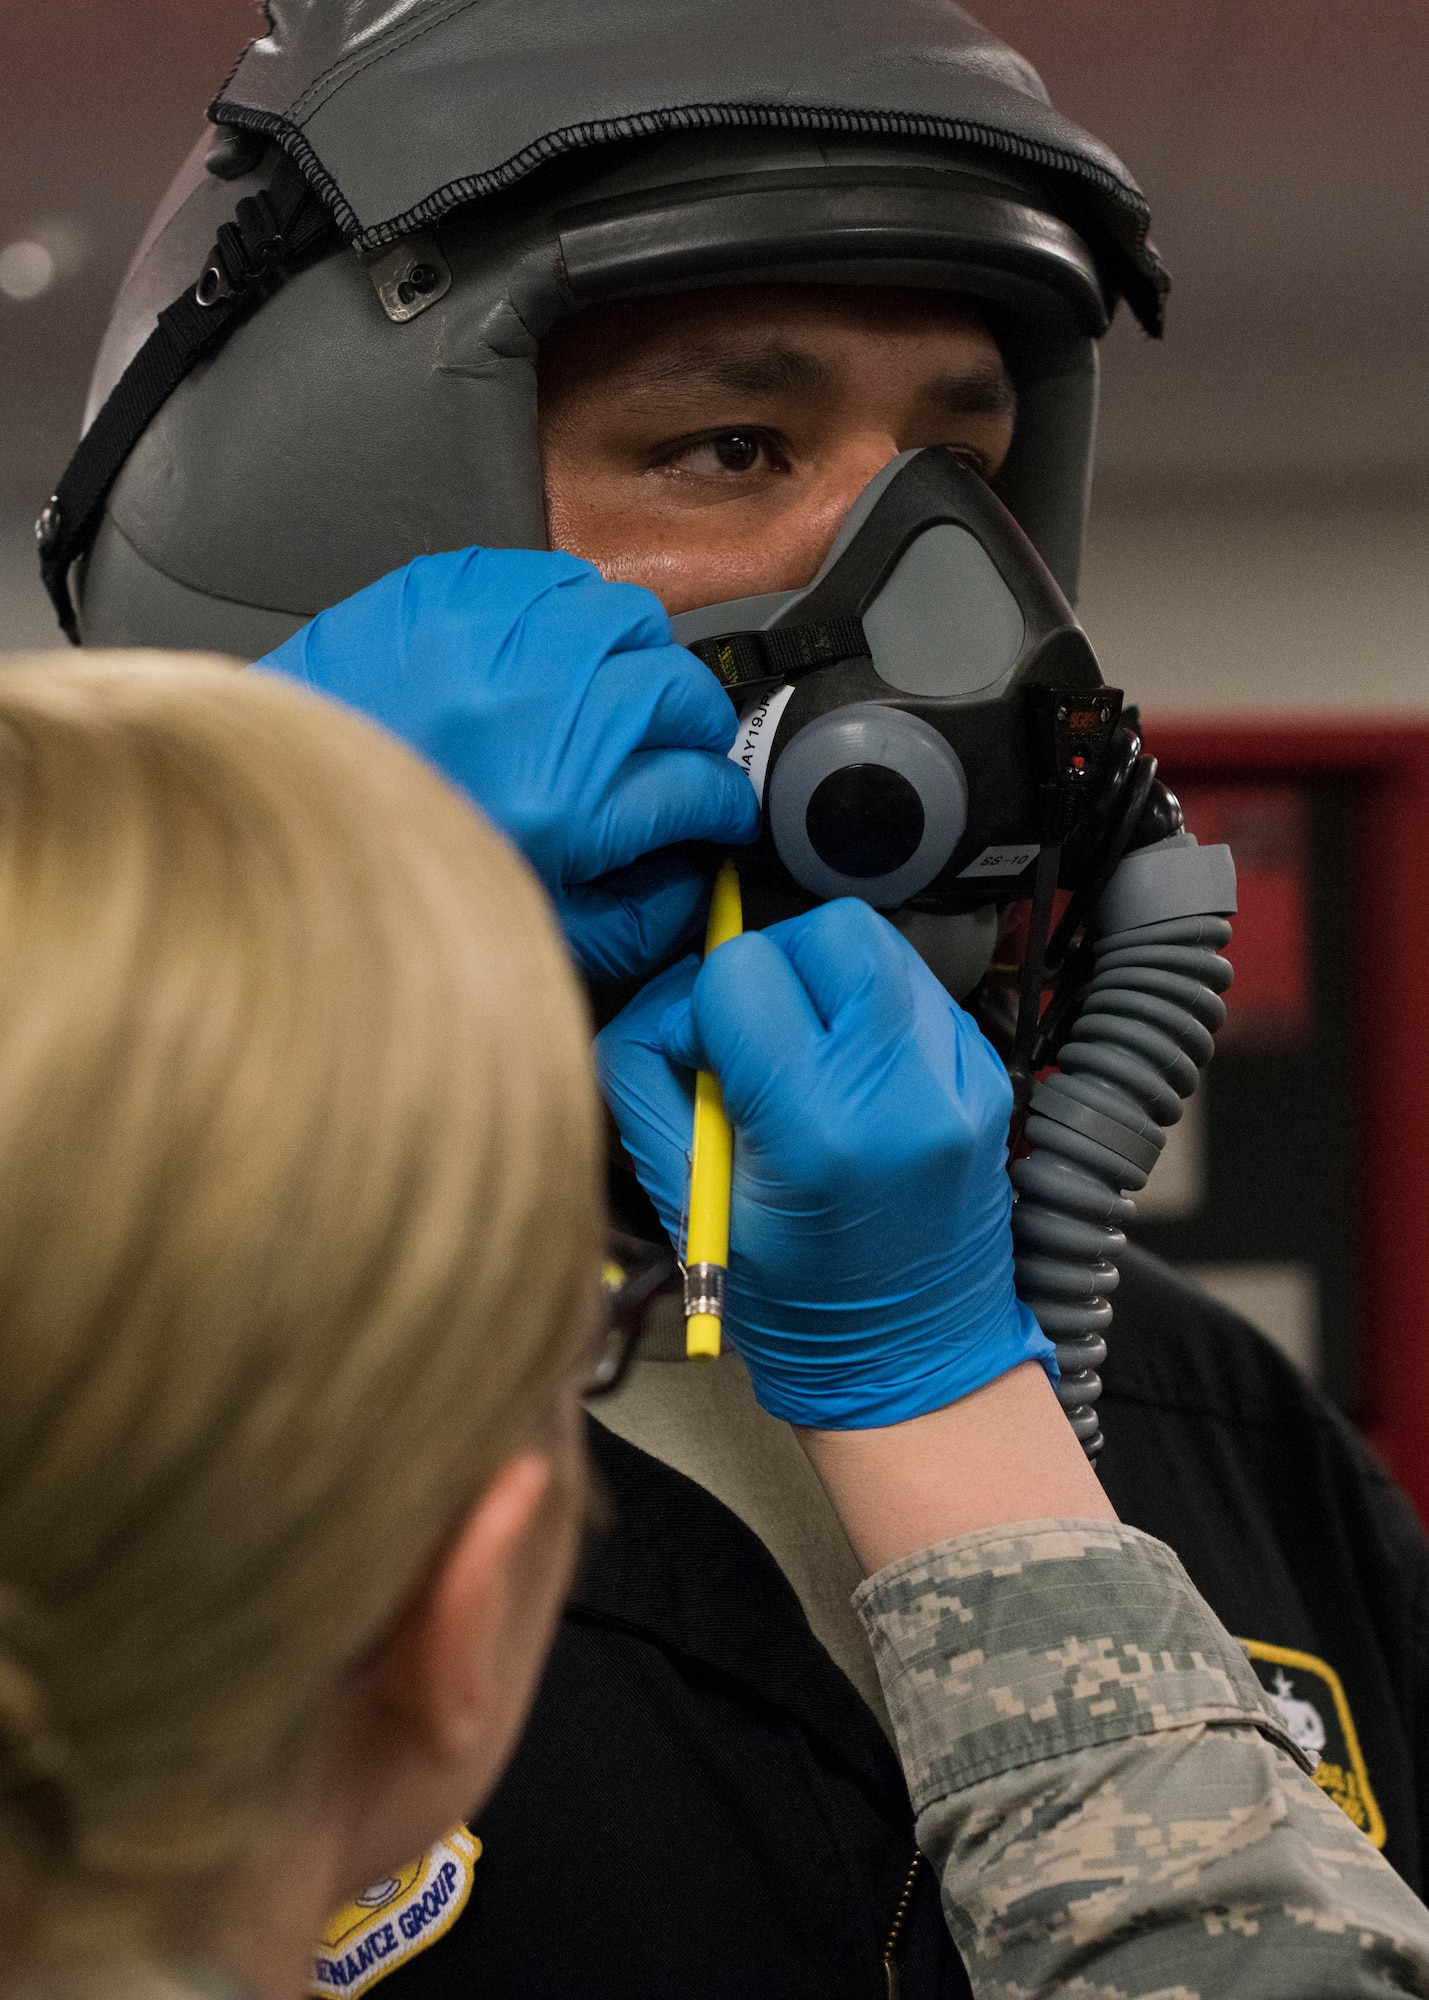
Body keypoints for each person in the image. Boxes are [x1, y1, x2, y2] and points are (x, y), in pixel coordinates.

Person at [46, 0, 1429, 1983]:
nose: (927, 578)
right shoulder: (88, 1380)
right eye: (732, 443)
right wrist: (264, 923)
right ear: (355, 538)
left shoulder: (1204, 1422)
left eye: (966, 458)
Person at [0, 645, 1427, 2000]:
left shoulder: (1228, 1419)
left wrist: (191, 856)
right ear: (455, 1615)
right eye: (728, 447)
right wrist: (936, 1404)